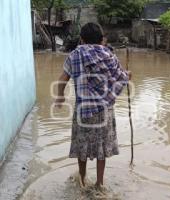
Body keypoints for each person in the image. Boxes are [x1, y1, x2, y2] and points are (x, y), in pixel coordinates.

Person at [54, 22, 131, 189]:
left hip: (83, 111)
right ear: (101, 39)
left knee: (82, 146)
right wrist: (127, 75)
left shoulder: (75, 55)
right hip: (105, 110)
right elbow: (120, 77)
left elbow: (62, 80)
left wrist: (60, 97)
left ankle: (82, 180)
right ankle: (99, 183)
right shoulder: (109, 55)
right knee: (101, 148)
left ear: (81, 39)